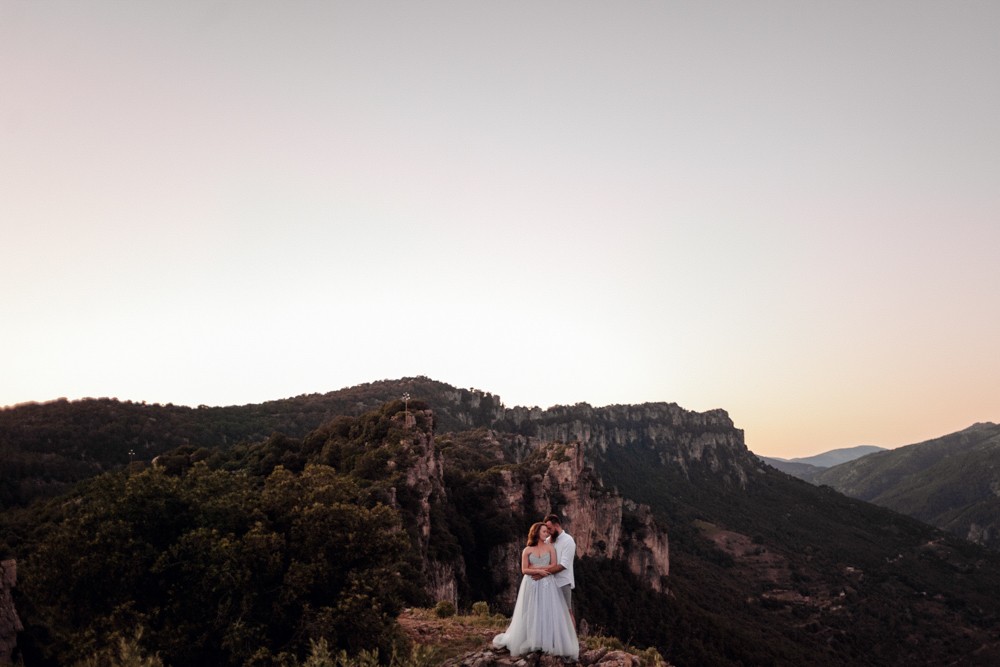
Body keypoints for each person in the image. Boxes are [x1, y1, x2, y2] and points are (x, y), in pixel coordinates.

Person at [493, 522, 579, 659]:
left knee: (546, 610)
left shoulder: (550, 547)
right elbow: (524, 569)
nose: (547, 534)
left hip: (547, 583)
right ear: (537, 533)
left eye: (547, 531)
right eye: (544, 531)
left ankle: (546, 640)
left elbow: (554, 564)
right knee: (531, 609)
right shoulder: (527, 550)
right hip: (531, 582)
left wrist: (541, 572)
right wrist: (538, 571)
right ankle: (531, 638)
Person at [542, 513, 577, 628]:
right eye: (546, 529)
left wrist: (543, 573)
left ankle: (573, 639)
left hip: (563, 582)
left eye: (550, 529)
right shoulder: (547, 541)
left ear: (557, 526)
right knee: (549, 611)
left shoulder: (568, 541)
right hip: (548, 582)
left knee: (567, 611)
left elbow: (563, 565)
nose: (548, 532)